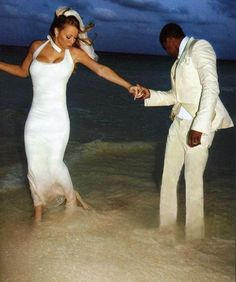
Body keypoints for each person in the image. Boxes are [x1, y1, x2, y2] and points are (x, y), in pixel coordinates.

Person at [0, 7, 140, 221]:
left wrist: (128, 86)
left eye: (75, 37)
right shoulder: (36, 47)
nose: (71, 41)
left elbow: (101, 70)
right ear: (56, 31)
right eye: (68, 36)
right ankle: (38, 211)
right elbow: (22, 71)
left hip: (58, 121)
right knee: (34, 165)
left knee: (55, 164)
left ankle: (71, 200)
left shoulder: (74, 54)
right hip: (35, 120)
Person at [138, 23, 233, 239]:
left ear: (169, 41)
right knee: (168, 178)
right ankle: (166, 228)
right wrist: (148, 94)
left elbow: (211, 87)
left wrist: (199, 126)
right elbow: (175, 96)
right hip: (178, 126)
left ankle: (194, 238)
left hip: (198, 127)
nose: (167, 53)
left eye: (166, 48)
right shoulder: (177, 63)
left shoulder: (200, 47)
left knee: (193, 183)